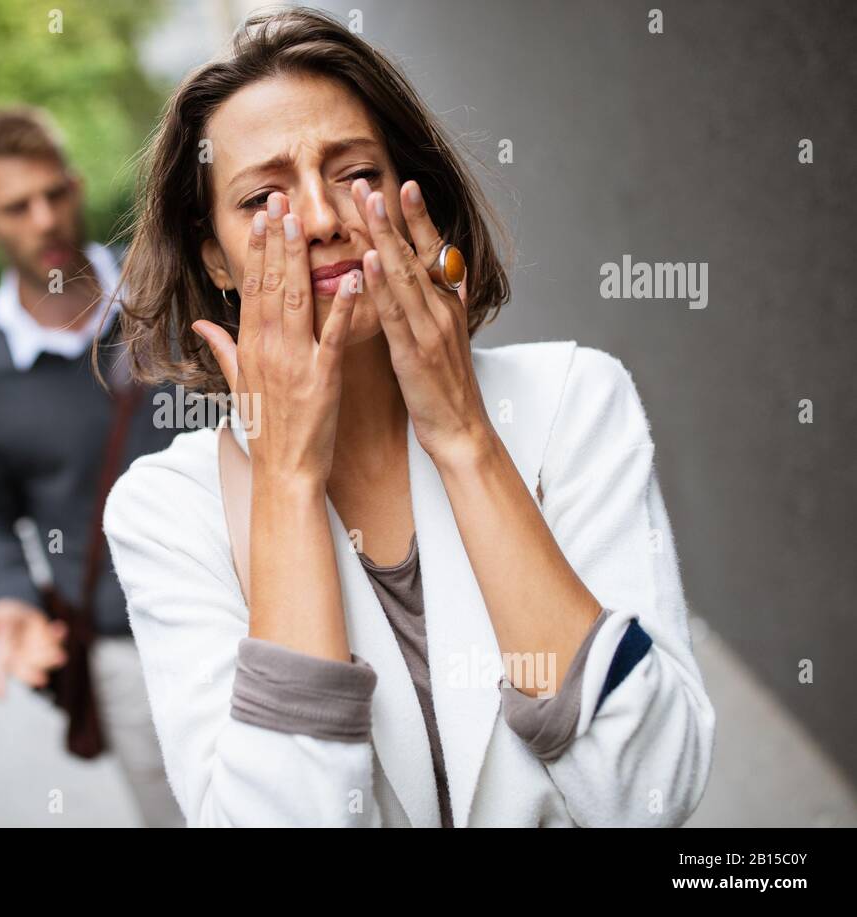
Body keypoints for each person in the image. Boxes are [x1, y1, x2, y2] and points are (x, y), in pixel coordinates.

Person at [100, 7, 716, 827]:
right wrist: (285, 480)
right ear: (213, 254)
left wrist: (465, 438)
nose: (321, 219)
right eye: (262, 197)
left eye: (355, 173)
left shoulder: (574, 400)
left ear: (411, 192)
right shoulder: (166, 512)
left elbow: (651, 792)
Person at [0, 106, 182, 827]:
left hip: (264, 608)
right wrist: (10, 595)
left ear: (75, 187)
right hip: (125, 655)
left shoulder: (169, 288)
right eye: (17, 206)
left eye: (55, 194)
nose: (43, 219)